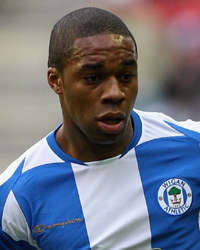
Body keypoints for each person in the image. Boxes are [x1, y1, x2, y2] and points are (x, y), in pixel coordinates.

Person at [0, 7, 200, 250]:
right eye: (93, 78)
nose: (115, 93)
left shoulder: (189, 145)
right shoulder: (16, 197)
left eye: (126, 76)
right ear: (56, 80)